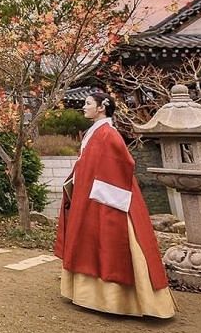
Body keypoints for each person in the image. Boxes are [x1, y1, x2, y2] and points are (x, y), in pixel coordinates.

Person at [54, 92, 175, 318]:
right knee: (90, 244)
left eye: (88, 103)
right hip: (91, 196)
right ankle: (91, 296)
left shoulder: (109, 134)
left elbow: (123, 164)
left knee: (110, 245)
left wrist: (100, 191)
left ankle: (118, 301)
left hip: (108, 199)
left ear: (101, 108)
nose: (84, 107)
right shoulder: (95, 133)